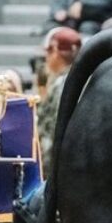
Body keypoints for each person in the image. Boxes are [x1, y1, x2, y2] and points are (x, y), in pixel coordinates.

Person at [36, 27, 82, 174]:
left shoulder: (62, 84)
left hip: (57, 168)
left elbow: (54, 132)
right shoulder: (80, 79)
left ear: (55, 52)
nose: (46, 58)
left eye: (48, 52)